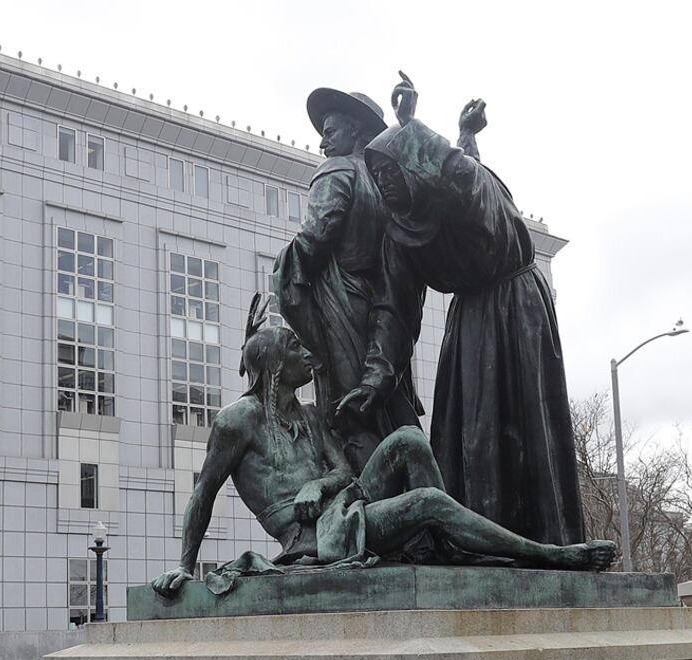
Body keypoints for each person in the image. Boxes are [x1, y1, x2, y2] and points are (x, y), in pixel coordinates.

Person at [151, 310, 615, 598]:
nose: (308, 354)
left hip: (346, 504)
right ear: (273, 364)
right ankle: (552, 556)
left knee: (409, 439)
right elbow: (203, 492)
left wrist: (320, 483)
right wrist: (184, 566)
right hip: (316, 539)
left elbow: (344, 471)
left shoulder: (311, 417)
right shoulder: (237, 421)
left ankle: (445, 547)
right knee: (427, 503)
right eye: (295, 347)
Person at [336, 72, 585, 546]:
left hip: (517, 308)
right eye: (378, 175)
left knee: (520, 436)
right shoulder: (398, 234)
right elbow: (394, 308)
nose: (385, 183)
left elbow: (458, 171)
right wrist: (374, 378)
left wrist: (414, 126)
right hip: (469, 322)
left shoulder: (461, 189)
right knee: (471, 441)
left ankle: (539, 546)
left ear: (414, 163)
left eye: (392, 170)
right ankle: (474, 545)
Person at [271, 88, 423, 475]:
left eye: (330, 130)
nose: (323, 141)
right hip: (381, 312)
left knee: (348, 413)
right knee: (385, 408)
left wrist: (284, 271)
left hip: (342, 306)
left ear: (356, 132)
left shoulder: (336, 170)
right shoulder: (383, 184)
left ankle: (371, 503)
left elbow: (318, 232)